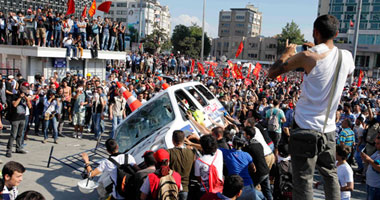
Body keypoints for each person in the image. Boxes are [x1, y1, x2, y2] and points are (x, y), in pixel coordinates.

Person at [268, 15, 355, 200]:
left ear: (315, 32)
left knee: (303, 179)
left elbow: (272, 73)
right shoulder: (346, 56)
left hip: (305, 127)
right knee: (330, 173)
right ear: (336, 33)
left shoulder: (308, 56)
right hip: (329, 129)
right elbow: (338, 72)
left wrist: (287, 53)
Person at [242, 127, 272, 200]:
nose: (243, 135)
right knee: (267, 191)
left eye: (244, 134)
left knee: (251, 190)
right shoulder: (258, 144)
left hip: (259, 173)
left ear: (248, 136)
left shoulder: (249, 148)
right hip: (265, 171)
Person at [167, 130, 196, 200]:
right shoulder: (191, 152)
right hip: (187, 187)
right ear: (184, 140)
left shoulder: (168, 152)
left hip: (173, 188)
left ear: (172, 140)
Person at [6, 85, 32, 157]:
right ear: (19, 92)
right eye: (23, 92)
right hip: (15, 118)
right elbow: (14, 105)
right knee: (13, 135)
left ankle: (18, 148)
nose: (24, 94)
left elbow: (30, 107)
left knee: (20, 134)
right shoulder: (14, 96)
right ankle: (9, 150)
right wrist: (20, 97)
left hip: (22, 118)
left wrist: (27, 100)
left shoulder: (25, 98)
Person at [361, 133, 380, 200]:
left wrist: (369, 160)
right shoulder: (377, 152)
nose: (375, 145)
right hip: (370, 184)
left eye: (378, 143)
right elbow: (372, 163)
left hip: (376, 187)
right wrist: (365, 159)